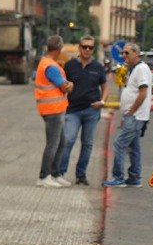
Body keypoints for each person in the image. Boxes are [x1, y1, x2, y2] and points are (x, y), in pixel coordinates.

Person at [55, 36, 109, 184]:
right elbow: (62, 85)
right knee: (68, 140)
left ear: (93, 49)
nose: (87, 50)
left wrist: (102, 101)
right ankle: (60, 173)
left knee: (87, 144)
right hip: (72, 110)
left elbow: (105, 87)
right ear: (79, 48)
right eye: (84, 46)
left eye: (90, 47)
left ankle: (81, 175)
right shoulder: (70, 65)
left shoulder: (98, 67)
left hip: (92, 111)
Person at [104, 42, 153, 188]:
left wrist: (131, 111)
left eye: (127, 53)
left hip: (136, 116)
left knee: (119, 144)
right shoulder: (133, 69)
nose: (124, 55)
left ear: (136, 53)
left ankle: (118, 177)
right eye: (123, 53)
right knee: (134, 148)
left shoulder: (141, 69)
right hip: (132, 115)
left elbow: (143, 93)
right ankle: (134, 177)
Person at [35, 34, 74, 187]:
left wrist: (67, 84)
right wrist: (70, 85)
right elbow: (64, 86)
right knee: (53, 144)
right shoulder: (50, 66)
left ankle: (55, 174)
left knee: (61, 142)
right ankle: (44, 176)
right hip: (52, 110)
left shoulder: (47, 63)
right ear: (59, 49)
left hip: (55, 109)